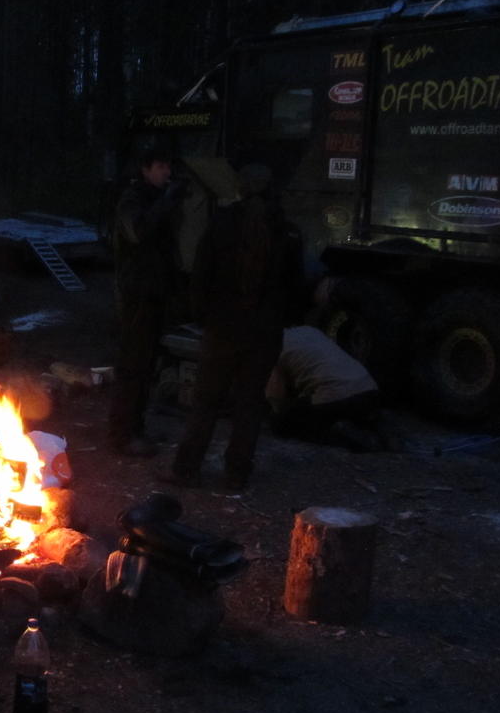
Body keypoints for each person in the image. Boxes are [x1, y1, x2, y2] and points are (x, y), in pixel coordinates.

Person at [163, 163, 294, 489]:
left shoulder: (222, 224)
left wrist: (203, 316)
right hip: (264, 334)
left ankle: (186, 469)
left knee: (206, 401)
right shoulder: (286, 230)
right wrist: (280, 320)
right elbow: (294, 287)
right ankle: (236, 474)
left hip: (223, 329)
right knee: (249, 404)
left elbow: (201, 275)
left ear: (240, 188)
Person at [107, 149, 185, 457]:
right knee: (133, 365)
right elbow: (138, 233)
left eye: (168, 166)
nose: (167, 172)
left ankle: (135, 427)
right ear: (145, 169)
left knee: (147, 365)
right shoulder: (133, 199)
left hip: (154, 292)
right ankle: (121, 433)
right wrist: (166, 202)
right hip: (136, 295)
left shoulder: (155, 199)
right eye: (161, 166)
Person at [266, 325, 386, 451]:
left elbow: (277, 401)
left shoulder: (271, 346)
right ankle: (360, 425)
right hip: (370, 392)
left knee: (279, 423)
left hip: (338, 399)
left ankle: (340, 437)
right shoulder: (308, 330)